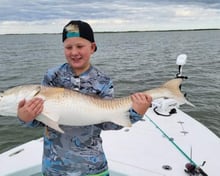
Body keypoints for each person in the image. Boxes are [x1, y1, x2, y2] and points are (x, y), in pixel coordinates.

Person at [17, 20, 152, 176]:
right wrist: (25, 117)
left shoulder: (103, 81)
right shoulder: (52, 76)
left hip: (93, 168)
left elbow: (108, 123)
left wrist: (136, 113)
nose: (74, 52)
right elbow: (41, 119)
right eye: (69, 47)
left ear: (92, 47)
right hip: (54, 167)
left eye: (80, 46)